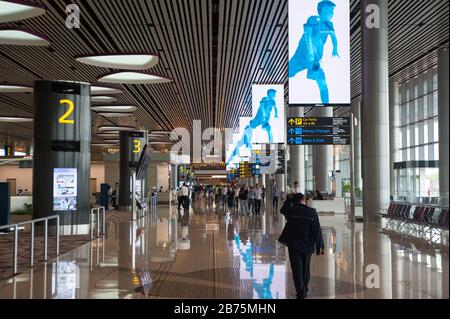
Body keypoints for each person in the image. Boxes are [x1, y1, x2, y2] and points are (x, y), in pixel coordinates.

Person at [289, 0, 339, 104]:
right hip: (301, 56)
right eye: (331, 11)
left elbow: (334, 38)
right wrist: (310, 52)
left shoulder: (329, 24)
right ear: (324, 9)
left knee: (323, 83)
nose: (333, 13)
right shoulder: (313, 19)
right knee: (290, 71)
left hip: (315, 61)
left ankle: (327, 106)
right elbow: (307, 34)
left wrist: (335, 48)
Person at [279, 193, 324, 299]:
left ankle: (300, 291)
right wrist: (320, 245)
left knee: (296, 269)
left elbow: (283, 209)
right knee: (305, 267)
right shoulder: (311, 213)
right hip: (308, 244)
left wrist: (288, 200)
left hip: (293, 244)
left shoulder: (291, 211)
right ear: (303, 199)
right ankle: (304, 287)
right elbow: (317, 230)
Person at [226, 89, 279, 165]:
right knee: (267, 130)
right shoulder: (264, 99)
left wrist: (276, 114)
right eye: (273, 94)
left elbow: (275, 108)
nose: (274, 95)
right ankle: (229, 161)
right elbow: (261, 106)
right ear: (269, 94)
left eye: (274, 94)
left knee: (268, 131)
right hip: (259, 119)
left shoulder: (273, 101)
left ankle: (229, 162)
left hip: (261, 121)